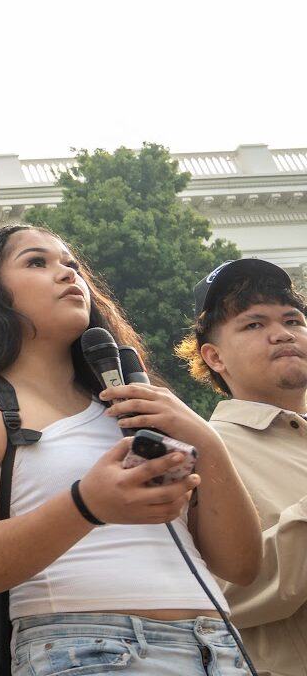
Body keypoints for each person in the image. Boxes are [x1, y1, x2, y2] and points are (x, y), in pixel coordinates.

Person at [0, 225, 261, 675]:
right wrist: (87, 505)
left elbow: (241, 565)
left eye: (71, 265)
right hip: (87, 649)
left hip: (217, 646)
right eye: (37, 262)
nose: (67, 274)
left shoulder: (136, 402)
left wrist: (206, 442)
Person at [175, 258, 307, 675]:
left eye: (293, 319)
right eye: (253, 324)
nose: (283, 333)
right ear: (213, 357)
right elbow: (216, 597)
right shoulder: (194, 455)